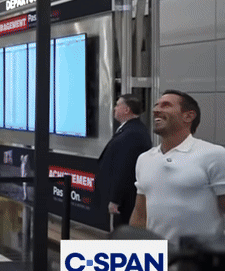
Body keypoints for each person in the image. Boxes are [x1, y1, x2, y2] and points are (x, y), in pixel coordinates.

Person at [130, 90, 225, 245]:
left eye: (166, 105)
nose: (156, 110)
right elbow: (140, 213)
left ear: (188, 116)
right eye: (156, 106)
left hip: (199, 261)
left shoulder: (214, 154)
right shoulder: (144, 159)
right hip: (156, 259)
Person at [95, 94, 153, 229]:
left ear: (126, 110)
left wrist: (116, 199)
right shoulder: (128, 129)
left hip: (127, 199)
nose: (114, 108)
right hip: (125, 197)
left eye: (117, 105)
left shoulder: (133, 133)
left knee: (124, 232)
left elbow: (124, 168)